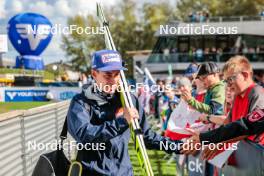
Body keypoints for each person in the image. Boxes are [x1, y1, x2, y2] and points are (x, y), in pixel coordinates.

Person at [67, 49, 182, 176]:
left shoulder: (129, 100)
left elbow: (146, 136)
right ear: (94, 74)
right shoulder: (80, 102)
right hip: (91, 172)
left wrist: (178, 146)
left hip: (123, 172)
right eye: (108, 75)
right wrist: (121, 122)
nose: (114, 80)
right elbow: (84, 136)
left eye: (117, 75)